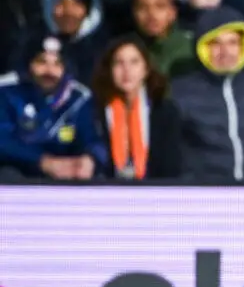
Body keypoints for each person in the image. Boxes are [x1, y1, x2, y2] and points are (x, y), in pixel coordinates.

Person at [171, 6, 244, 181]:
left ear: (243, 46)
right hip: (201, 192)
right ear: (202, 46)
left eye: (233, 42)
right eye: (215, 43)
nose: (225, 51)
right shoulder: (179, 92)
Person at [0, 35, 105, 179]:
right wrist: (42, 161)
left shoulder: (78, 97)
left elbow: (92, 139)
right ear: (29, 64)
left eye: (57, 64)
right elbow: (3, 141)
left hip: (64, 177)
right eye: (42, 62)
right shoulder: (6, 90)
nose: (49, 71)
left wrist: (90, 159)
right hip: (15, 173)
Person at [91, 35, 182, 179]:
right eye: (119, 63)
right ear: (109, 70)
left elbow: (171, 166)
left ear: (146, 69)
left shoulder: (164, 111)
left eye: (134, 62)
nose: (126, 70)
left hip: (155, 190)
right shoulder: (95, 110)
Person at [133, 0, 194, 78]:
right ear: (135, 14)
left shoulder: (190, 49)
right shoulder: (127, 50)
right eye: (143, 7)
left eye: (160, 6)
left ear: (172, 13)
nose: (151, 14)